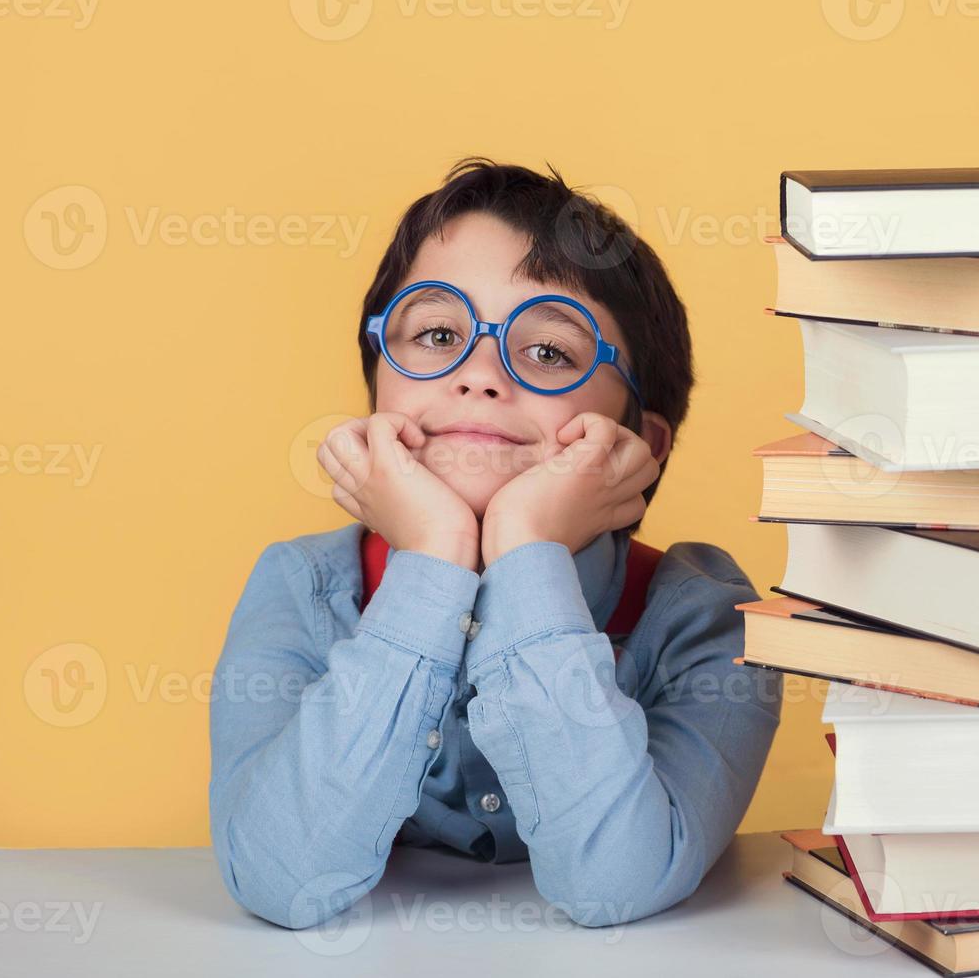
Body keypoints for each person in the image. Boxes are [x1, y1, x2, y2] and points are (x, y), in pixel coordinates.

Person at [207, 158, 781, 930]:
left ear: (638, 440)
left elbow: (616, 877)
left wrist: (523, 548)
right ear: (378, 379)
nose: (479, 375)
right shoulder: (302, 589)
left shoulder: (708, 623)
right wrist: (436, 555)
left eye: (549, 352)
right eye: (437, 334)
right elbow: (281, 879)